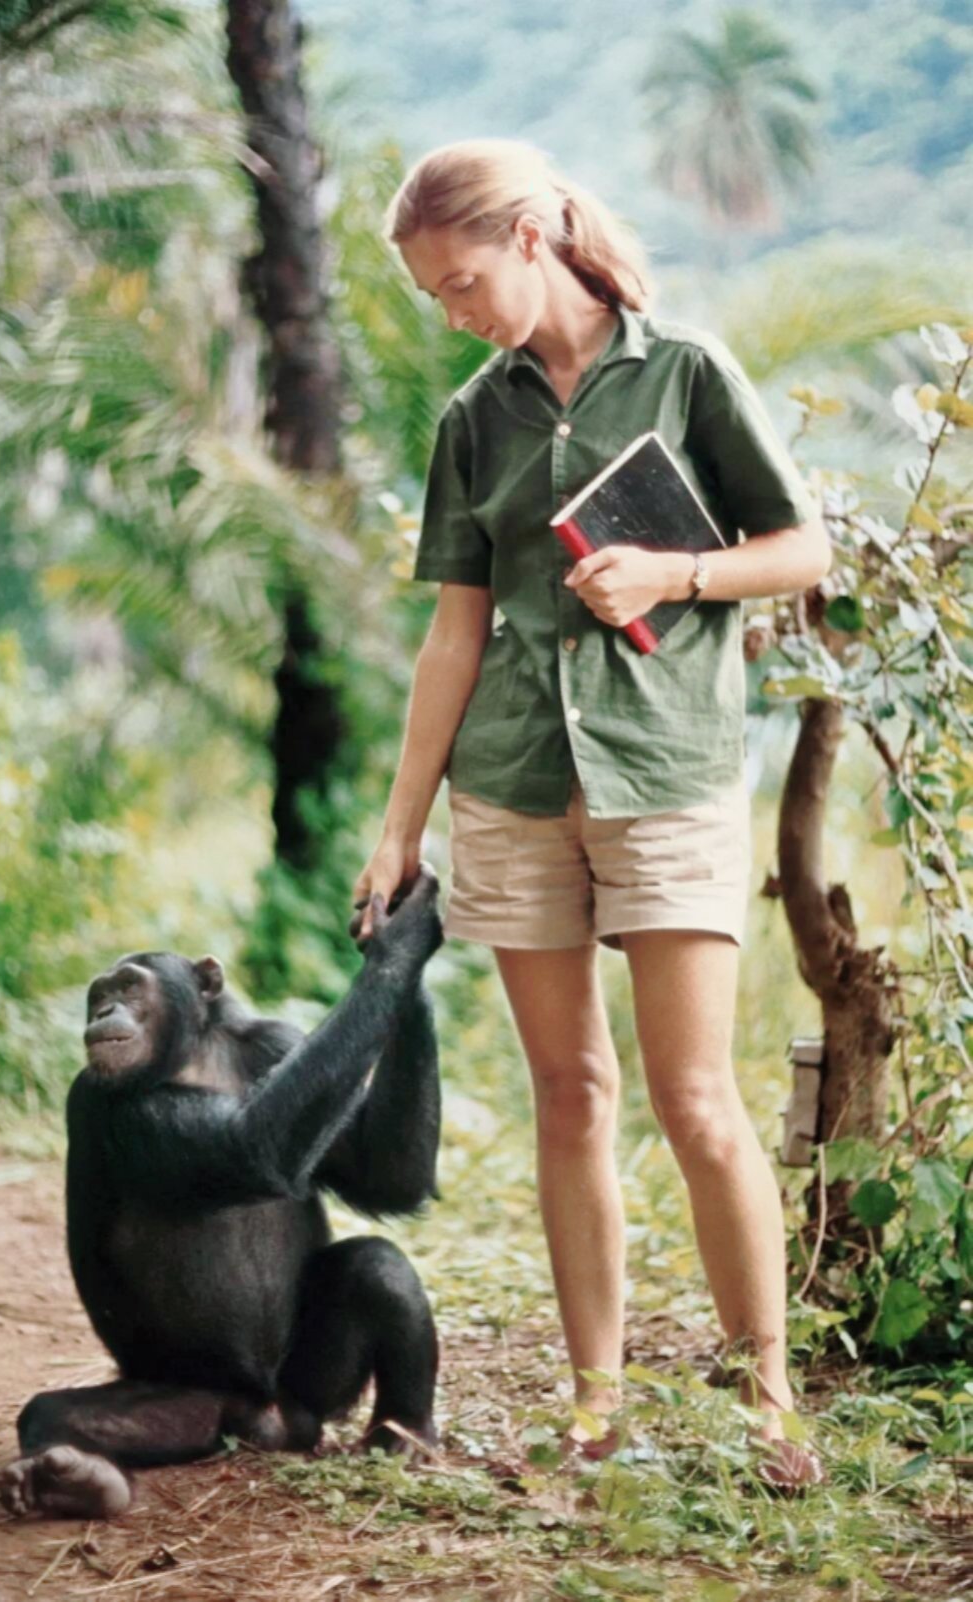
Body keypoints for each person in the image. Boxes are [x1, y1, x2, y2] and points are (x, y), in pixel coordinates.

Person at [353, 139, 830, 1489]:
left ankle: (767, 1398)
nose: (452, 312)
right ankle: (594, 1400)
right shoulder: (471, 422)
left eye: (460, 283)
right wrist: (403, 825)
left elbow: (803, 549)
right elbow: (454, 635)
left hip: (666, 774)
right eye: (433, 297)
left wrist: (677, 569)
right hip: (511, 785)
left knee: (696, 1097)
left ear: (530, 234)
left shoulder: (684, 373)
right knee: (572, 1094)